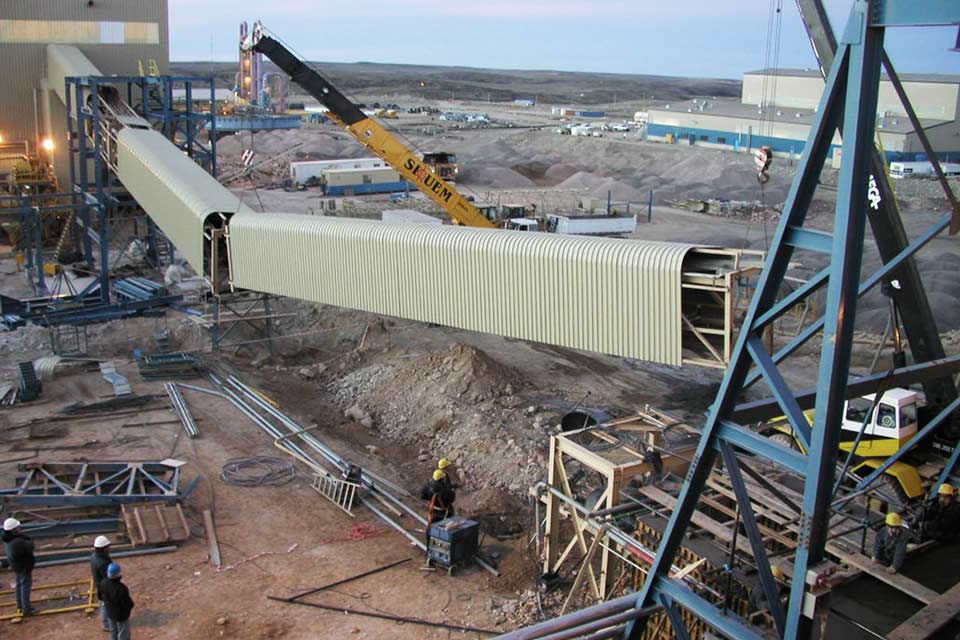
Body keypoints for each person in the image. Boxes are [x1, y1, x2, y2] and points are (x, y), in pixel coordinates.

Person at [2, 517, 35, 617]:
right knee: (25, 586)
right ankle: (27, 609)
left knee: (20, 585)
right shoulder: (17, 542)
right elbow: (30, 547)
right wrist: (25, 537)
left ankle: (20, 605)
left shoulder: (8, 540)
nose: (20, 528)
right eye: (18, 527)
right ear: (14, 530)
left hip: (17, 566)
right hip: (23, 567)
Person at [420, 469, 457, 549]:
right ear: (441, 479)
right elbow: (451, 499)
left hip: (433, 512)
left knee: (430, 530)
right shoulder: (444, 490)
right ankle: (447, 548)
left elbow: (422, 496)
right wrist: (452, 491)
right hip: (445, 513)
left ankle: (429, 549)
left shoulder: (427, 486)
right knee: (449, 529)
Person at [99, 562, 134, 640]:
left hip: (110, 613)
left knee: (113, 632)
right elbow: (127, 604)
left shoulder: (103, 583)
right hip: (121, 616)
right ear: (119, 574)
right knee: (123, 634)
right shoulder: (121, 588)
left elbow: (100, 597)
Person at [90, 536, 113, 632]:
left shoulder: (93, 556)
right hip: (104, 586)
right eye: (108, 546)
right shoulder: (102, 562)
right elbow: (108, 576)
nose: (110, 548)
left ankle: (107, 622)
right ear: (103, 548)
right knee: (105, 604)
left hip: (99, 584)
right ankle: (106, 624)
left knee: (103, 603)